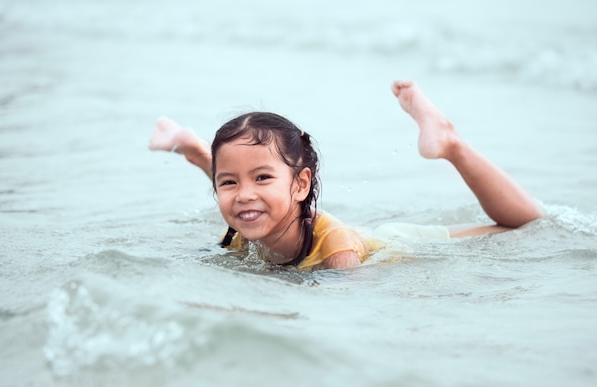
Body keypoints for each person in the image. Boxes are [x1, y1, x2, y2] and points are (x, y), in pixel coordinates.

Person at [148, 81, 545, 270]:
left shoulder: (337, 249)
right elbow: (244, 194)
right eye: (227, 181)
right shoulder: (238, 234)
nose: (244, 194)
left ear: (301, 184)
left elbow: (355, 304)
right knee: (247, 196)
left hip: (402, 241)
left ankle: (450, 141)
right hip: (366, 232)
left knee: (526, 224)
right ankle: (195, 148)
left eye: (264, 177)